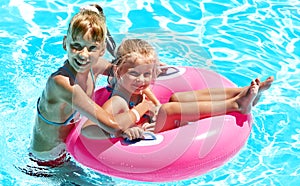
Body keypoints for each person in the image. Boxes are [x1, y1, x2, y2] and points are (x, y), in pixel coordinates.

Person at [30, 4, 156, 167]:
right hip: (47, 161)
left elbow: (126, 72)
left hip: (70, 149)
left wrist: (154, 97)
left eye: (91, 48)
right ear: (65, 43)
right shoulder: (62, 83)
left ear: (102, 50)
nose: (83, 54)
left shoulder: (94, 67)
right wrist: (144, 107)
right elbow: (113, 125)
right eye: (76, 46)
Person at [81, 38, 274, 137]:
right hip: (146, 135)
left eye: (147, 74)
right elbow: (88, 130)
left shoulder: (134, 87)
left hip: (151, 122)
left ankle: (240, 92)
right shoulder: (116, 101)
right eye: (134, 74)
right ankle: (236, 105)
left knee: (177, 99)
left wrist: (154, 105)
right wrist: (124, 130)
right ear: (118, 73)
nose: (141, 80)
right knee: (170, 109)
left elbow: (144, 94)